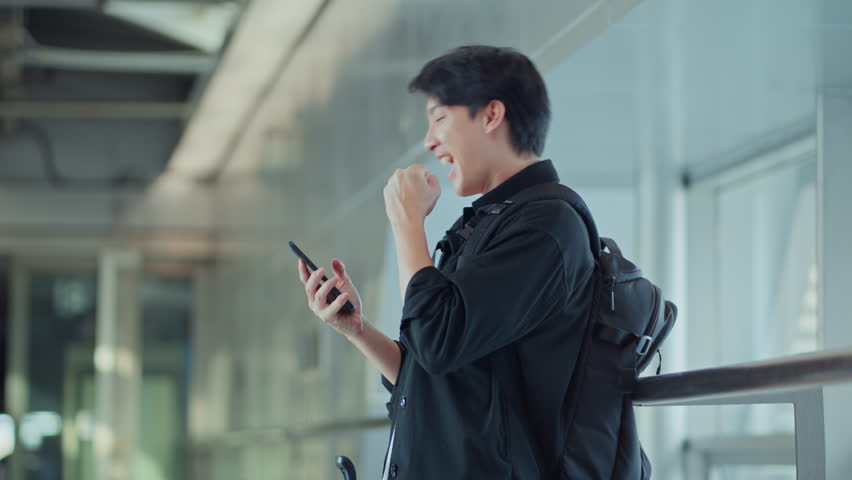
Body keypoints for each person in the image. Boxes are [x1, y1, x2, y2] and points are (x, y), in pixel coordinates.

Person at [298, 45, 595, 479]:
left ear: (491, 115)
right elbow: (436, 373)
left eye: (439, 117)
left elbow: (437, 342)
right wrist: (357, 329)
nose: (429, 141)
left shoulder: (547, 226)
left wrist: (406, 222)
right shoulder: (494, 221)